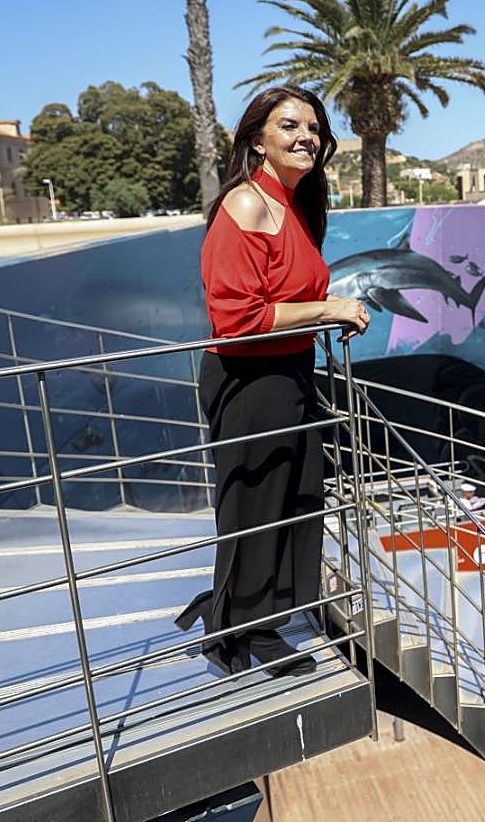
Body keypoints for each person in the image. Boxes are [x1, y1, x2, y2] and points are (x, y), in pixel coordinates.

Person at [175, 85, 369, 678]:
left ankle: (265, 618)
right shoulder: (247, 205)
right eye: (289, 126)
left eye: (313, 126)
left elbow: (286, 294)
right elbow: (237, 320)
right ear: (257, 139)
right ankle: (238, 632)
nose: (305, 136)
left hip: (289, 372)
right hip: (250, 377)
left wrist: (321, 317)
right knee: (254, 505)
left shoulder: (295, 203)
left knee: (292, 499)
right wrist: (329, 309)